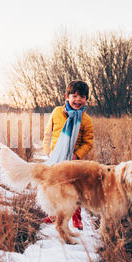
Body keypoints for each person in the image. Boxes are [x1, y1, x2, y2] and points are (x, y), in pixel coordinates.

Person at [41, 80, 94, 230]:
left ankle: (76, 217)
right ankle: (54, 214)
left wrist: (77, 155)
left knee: (74, 189)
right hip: (55, 157)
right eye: (74, 96)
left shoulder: (86, 120)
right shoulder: (57, 112)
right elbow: (48, 133)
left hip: (73, 161)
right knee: (55, 186)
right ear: (67, 96)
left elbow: (88, 142)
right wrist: (48, 151)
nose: (78, 100)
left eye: (82, 97)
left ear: (86, 99)